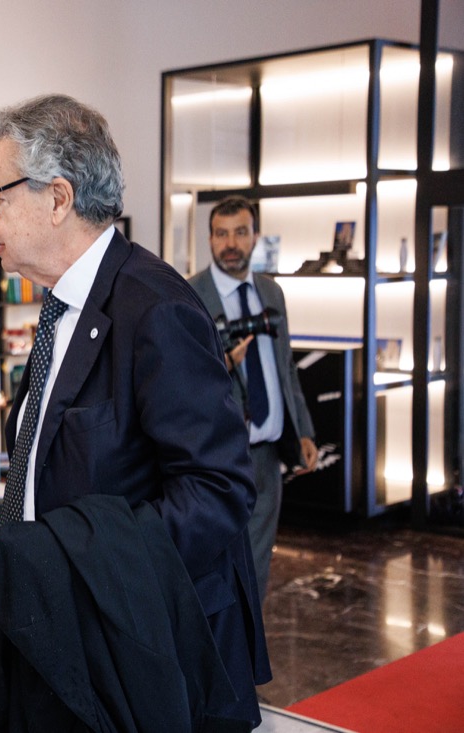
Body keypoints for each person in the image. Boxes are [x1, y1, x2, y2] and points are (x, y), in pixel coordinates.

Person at [0, 94, 271, 731]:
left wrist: (71, 563)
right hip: (63, 633)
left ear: (57, 198)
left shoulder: (156, 309)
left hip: (140, 651)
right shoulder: (61, 306)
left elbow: (217, 490)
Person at [189, 195, 318, 602]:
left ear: (255, 237)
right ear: (210, 239)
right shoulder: (190, 294)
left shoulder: (271, 293)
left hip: (268, 454)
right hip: (218, 456)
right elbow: (181, 380)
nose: (231, 243)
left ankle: (252, 639)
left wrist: (303, 431)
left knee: (258, 565)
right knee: (215, 566)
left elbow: (286, 368)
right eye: (221, 234)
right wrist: (225, 362)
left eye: (240, 232)